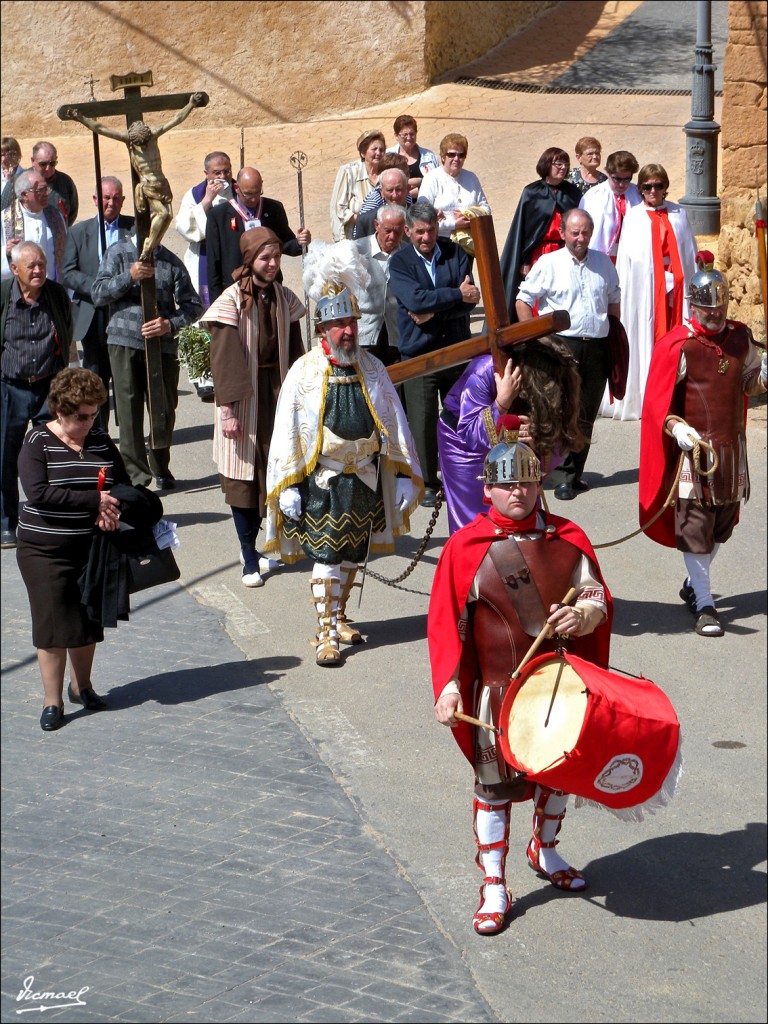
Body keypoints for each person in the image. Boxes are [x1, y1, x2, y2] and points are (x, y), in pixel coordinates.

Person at [428, 417, 611, 934]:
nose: (517, 492)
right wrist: (445, 686)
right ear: (487, 488)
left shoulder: (568, 538)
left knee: (557, 774)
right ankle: (492, 885)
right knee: (494, 788)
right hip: (493, 695)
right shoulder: (466, 548)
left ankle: (546, 850)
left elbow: (594, 591)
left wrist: (586, 616)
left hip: (557, 686)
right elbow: (445, 623)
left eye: (526, 483)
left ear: (539, 485)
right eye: (507, 484)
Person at [264, 240, 423, 665]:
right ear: (323, 330)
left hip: (366, 477)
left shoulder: (372, 367)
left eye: (352, 322)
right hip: (324, 482)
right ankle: (324, 633)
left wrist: (405, 474)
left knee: (354, 550)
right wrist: (288, 486)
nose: (348, 331)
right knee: (328, 554)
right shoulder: (305, 372)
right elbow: (287, 430)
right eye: (339, 325)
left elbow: (395, 422)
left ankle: (339, 617)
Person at [639, 266, 767, 637]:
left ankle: (694, 585)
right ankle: (706, 605)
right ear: (693, 306)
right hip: (695, 455)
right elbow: (659, 406)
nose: (715, 314)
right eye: (708, 309)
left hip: (731, 452)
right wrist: (678, 429)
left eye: (720, 308)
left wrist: (764, 377)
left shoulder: (741, 339)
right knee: (696, 526)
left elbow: (748, 385)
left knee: (720, 528)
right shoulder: (681, 345)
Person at [15, 368, 129, 731]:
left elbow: (125, 486)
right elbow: (40, 494)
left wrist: (114, 511)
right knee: (53, 622)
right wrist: (95, 501)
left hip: (91, 546)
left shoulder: (99, 441)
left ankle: (82, 686)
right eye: (81, 415)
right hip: (43, 547)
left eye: (94, 413)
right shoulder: (38, 442)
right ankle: (53, 701)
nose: (88, 421)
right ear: (60, 410)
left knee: (87, 617)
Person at [201, 228, 306, 588]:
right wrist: (227, 411)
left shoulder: (284, 297)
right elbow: (224, 361)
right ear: (250, 260)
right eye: (266, 257)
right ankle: (248, 557)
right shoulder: (230, 302)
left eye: (277, 257)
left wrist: (304, 395)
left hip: (276, 394)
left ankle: (264, 546)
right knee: (243, 478)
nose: (274, 264)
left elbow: (296, 352)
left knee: (273, 471)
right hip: (242, 399)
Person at [516, 208, 620, 500]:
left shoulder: (603, 262)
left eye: (585, 232)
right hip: (561, 345)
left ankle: (576, 473)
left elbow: (614, 301)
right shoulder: (548, 263)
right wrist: (535, 339)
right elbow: (523, 300)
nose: (580, 238)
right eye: (574, 232)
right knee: (561, 409)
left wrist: (614, 337)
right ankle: (560, 475)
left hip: (597, 345)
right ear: (562, 233)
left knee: (586, 410)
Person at [437, 335, 584, 533]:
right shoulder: (486, 369)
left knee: (521, 503)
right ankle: (476, 556)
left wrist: (538, 441)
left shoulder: (563, 377)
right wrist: (502, 403)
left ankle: (526, 554)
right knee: (476, 513)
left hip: (514, 440)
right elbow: (469, 432)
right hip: (464, 443)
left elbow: (564, 438)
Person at [91, 234, 203, 489]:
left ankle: (160, 466)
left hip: (161, 347)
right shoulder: (117, 252)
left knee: (163, 408)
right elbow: (98, 293)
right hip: (123, 342)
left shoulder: (171, 261)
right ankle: (136, 476)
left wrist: (169, 323)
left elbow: (193, 305)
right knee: (129, 410)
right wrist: (129, 276)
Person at [389, 200, 480, 507]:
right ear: (407, 231)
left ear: (437, 228)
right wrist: (453, 295)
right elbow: (415, 300)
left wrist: (433, 309)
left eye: (430, 231)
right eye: (419, 232)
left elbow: (471, 300)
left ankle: (460, 472)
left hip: (456, 349)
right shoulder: (400, 262)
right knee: (423, 419)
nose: (425, 238)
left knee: (460, 415)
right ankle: (428, 482)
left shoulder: (455, 253)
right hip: (419, 354)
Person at [67, 93, 206, 261]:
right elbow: (100, 128)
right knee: (162, 214)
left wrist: (190, 105)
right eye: (141, 145)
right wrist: (81, 117)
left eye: (146, 143)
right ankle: (148, 247)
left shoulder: (153, 134)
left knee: (168, 215)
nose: (145, 145)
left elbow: (176, 119)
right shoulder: (129, 140)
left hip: (162, 182)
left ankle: (153, 245)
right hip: (148, 185)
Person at [608, 162, 697, 421]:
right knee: (646, 333)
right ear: (641, 188)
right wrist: (652, 280)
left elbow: (688, 252)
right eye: (647, 186)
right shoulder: (635, 217)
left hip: (677, 291)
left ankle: (679, 393)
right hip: (646, 290)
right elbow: (630, 260)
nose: (653, 191)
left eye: (658, 185)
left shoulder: (679, 214)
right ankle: (647, 394)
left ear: (665, 187)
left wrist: (678, 280)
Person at [1, 242, 72, 549]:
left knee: (55, 454)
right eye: (31, 266)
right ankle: (6, 522)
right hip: (10, 388)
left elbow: (67, 334)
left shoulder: (56, 295)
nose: (38, 271)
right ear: (15, 269)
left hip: (47, 388)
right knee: (5, 456)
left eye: (41, 264)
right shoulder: (4, 295)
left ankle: (54, 516)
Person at [61, 177, 135, 431]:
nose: (110, 203)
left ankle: (129, 436)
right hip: (93, 314)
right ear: (95, 200)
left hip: (125, 313)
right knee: (95, 377)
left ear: (123, 200)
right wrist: (98, 287)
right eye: (105, 197)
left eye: (116, 198)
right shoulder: (79, 232)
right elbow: (68, 272)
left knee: (126, 379)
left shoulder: (134, 229)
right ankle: (98, 432)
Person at [175, 150, 234, 401]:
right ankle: (203, 377)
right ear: (206, 174)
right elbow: (186, 229)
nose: (222, 177)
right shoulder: (195, 195)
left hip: (227, 262)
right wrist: (207, 202)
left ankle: (227, 373)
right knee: (200, 318)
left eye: (226, 171)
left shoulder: (237, 191)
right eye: (216, 173)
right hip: (202, 260)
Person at [206, 166, 311, 304]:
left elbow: (285, 244)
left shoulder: (274, 208)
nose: (254, 199)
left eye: (257, 193)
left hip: (269, 288)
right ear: (236, 188)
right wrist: (217, 301)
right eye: (248, 194)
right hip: (235, 290)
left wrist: (299, 242)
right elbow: (213, 262)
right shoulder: (218, 215)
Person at [500, 147, 581, 320]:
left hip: (565, 251)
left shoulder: (573, 193)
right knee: (538, 295)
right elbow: (524, 233)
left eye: (565, 164)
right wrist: (525, 260)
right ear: (546, 165)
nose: (563, 167)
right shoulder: (532, 192)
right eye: (558, 163)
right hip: (540, 253)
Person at [354, 204, 408, 365]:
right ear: (377, 225)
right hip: (365, 335)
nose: (392, 236)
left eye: (397, 231)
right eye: (387, 230)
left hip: (396, 336)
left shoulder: (408, 254)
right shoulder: (356, 250)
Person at [416, 133, 491, 242]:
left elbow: (486, 209)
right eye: (451, 154)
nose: (457, 158)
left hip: (469, 242)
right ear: (442, 156)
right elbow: (421, 216)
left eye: (461, 155)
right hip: (441, 241)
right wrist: (454, 224)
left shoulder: (471, 177)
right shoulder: (431, 178)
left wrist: (468, 214)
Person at [2, 170, 67, 282]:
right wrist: (5, 251)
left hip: (52, 290)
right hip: (19, 293)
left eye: (46, 189)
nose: (46, 194)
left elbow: (66, 254)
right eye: (41, 190)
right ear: (24, 195)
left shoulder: (56, 217)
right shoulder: (4, 220)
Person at [579, 150, 641, 261]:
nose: (621, 184)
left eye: (626, 179)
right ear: (608, 173)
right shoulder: (593, 196)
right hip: (600, 258)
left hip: (632, 258)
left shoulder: (638, 194)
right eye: (616, 179)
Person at [329, 129, 386, 241]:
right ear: (363, 153)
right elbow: (340, 208)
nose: (378, 153)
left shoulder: (386, 174)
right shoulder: (350, 172)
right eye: (374, 149)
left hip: (382, 237)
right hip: (354, 238)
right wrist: (365, 221)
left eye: (382, 149)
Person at [386, 115, 439, 200]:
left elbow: (437, 182)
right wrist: (409, 191)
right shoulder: (388, 156)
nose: (409, 138)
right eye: (405, 135)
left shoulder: (429, 156)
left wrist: (421, 188)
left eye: (412, 134)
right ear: (396, 136)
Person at [353, 165, 412, 239]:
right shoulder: (367, 221)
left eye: (399, 189)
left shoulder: (418, 218)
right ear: (381, 192)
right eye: (390, 190)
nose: (394, 195)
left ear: (407, 189)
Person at [30, 141, 79, 227]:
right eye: (43, 164)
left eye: (52, 163)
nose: (48, 168)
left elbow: (72, 212)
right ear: (33, 161)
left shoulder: (66, 182)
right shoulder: (18, 182)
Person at [1, 136, 22, 210]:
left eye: (8, 154)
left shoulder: (25, 176)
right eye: (1, 155)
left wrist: (9, 182)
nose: (4, 159)